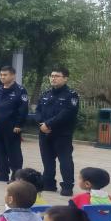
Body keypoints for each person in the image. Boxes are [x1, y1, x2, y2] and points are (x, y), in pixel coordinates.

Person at [34, 67, 79, 197]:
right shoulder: (46, 93)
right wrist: (41, 123)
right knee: (47, 160)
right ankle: (48, 183)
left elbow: (67, 113)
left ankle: (67, 186)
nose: (53, 78)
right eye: (52, 76)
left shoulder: (71, 95)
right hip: (44, 133)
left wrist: (48, 124)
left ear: (65, 78)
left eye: (57, 76)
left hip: (62, 134)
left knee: (65, 160)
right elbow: (38, 111)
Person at [0, 65, 29, 182]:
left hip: (12, 127)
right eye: (1, 75)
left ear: (12, 75)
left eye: (5, 75)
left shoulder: (20, 91)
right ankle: (1, 174)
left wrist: (19, 124)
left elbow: (23, 109)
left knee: (14, 152)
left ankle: (16, 176)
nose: (2, 77)